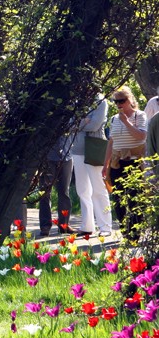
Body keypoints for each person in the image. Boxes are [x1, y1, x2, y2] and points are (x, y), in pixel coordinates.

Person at [102, 86, 147, 238]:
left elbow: (141, 136)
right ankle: (125, 232)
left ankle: (135, 234)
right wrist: (105, 165)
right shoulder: (114, 119)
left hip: (134, 163)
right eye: (116, 101)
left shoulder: (139, 116)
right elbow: (111, 143)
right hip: (117, 163)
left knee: (134, 198)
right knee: (118, 199)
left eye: (122, 100)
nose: (119, 104)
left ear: (130, 100)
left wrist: (126, 122)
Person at [71, 95, 113, 237]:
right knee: (82, 190)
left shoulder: (101, 101)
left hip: (94, 148)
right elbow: (69, 123)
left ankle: (105, 227)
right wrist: (84, 122)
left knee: (98, 189)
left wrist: (78, 123)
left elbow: (95, 124)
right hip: (77, 149)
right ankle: (87, 226)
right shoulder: (78, 100)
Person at [36, 136, 74, 237]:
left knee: (64, 192)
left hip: (66, 156)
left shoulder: (71, 119)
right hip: (47, 157)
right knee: (45, 193)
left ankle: (64, 225)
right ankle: (45, 226)